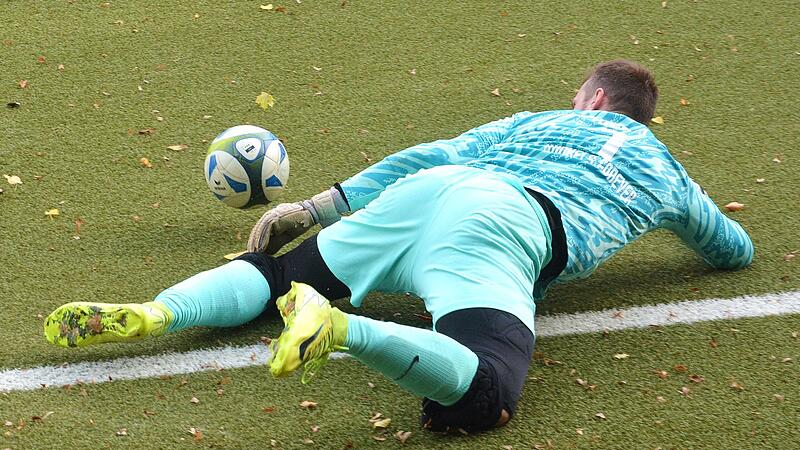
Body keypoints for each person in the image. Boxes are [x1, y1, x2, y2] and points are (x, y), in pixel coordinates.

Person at [44, 60, 754, 433]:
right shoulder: (667, 175)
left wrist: (318, 206)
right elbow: (732, 250)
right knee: (484, 394)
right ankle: (340, 328)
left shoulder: (534, 122)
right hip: (502, 226)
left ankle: (156, 312)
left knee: (277, 275)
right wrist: (694, 219)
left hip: (437, 188)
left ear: (595, 100)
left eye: (577, 97)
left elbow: (430, 152)